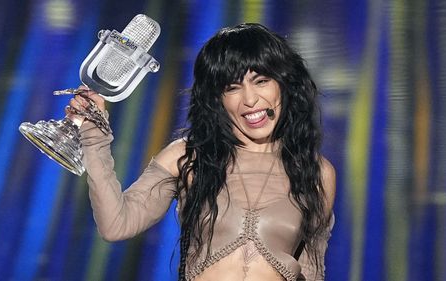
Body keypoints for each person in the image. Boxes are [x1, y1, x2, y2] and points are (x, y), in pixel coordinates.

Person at [67, 23, 336, 281]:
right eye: (232, 87)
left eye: (261, 81)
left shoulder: (316, 172)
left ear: (284, 84)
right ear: (217, 98)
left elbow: (311, 271)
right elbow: (116, 224)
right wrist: (95, 138)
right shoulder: (188, 156)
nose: (250, 99)